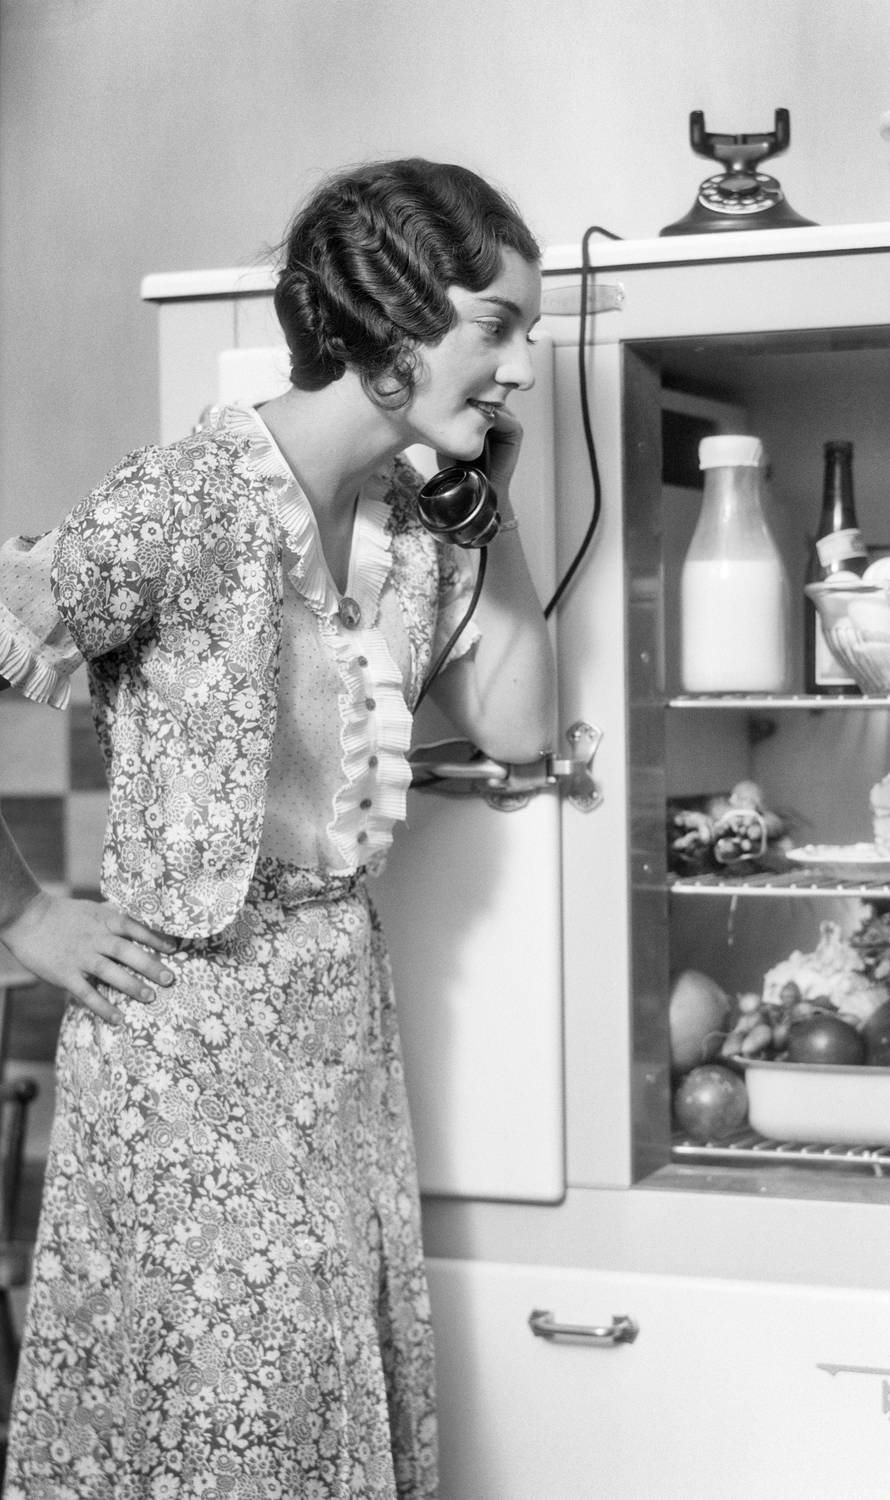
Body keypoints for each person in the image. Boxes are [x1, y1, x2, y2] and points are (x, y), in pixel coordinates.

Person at [0, 158, 555, 1498]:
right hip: (183, 1047)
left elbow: (524, 730)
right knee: (222, 1418)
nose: (522, 368)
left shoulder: (421, 530)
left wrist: (495, 508)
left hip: (332, 1022)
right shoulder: (180, 502)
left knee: (323, 1399)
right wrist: (24, 916)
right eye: (498, 326)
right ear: (394, 321)